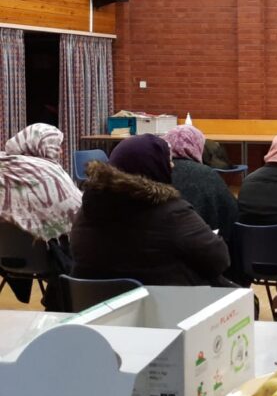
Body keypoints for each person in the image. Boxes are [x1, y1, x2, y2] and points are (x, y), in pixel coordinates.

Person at [71, 134, 230, 286]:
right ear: (151, 166)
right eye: (167, 160)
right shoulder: (172, 212)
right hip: (166, 306)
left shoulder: (85, 211)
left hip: (93, 307)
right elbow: (219, 259)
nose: (173, 165)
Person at [0, 123, 81, 307]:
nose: (60, 151)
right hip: (47, 260)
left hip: (5, 256)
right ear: (40, 144)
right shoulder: (48, 172)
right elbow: (78, 212)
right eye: (56, 145)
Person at [164, 125, 238, 242]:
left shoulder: (156, 171)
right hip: (199, 246)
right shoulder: (206, 174)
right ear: (199, 146)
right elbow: (230, 211)